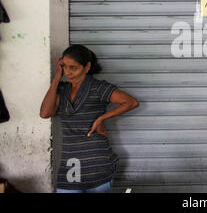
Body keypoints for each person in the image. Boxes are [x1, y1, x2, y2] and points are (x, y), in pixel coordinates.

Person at [40, 44, 139, 193]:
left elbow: (131, 102)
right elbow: (45, 113)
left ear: (87, 67)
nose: (68, 72)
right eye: (65, 67)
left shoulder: (98, 87)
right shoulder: (61, 89)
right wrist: (56, 78)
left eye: (73, 68)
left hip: (96, 162)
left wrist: (101, 118)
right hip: (71, 162)